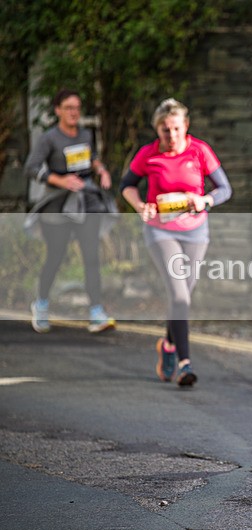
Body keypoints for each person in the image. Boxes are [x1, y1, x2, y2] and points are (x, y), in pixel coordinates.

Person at [121, 98, 231, 387]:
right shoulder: (148, 154)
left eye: (176, 129)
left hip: (196, 231)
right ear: (157, 130)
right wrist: (139, 206)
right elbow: (127, 186)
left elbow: (225, 189)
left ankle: (168, 345)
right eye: (165, 130)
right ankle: (185, 363)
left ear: (186, 126)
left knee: (184, 296)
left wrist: (204, 199)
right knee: (180, 296)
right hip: (161, 231)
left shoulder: (200, 151)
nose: (171, 136)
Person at [24, 88, 117, 334]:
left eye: (77, 107)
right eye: (68, 108)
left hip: (86, 203)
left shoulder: (86, 134)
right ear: (58, 111)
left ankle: (96, 311)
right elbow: (32, 167)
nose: (74, 112)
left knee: (91, 256)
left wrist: (101, 170)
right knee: (56, 255)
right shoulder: (49, 138)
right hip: (57, 205)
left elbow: (92, 157)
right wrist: (61, 180)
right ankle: (41, 304)